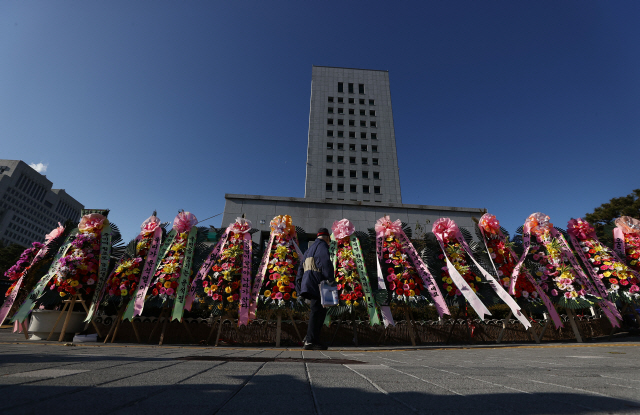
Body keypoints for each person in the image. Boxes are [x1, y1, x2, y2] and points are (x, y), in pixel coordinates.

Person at [296, 227, 334, 350]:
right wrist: (330, 280)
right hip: (319, 283)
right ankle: (311, 340)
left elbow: (300, 268)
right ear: (327, 238)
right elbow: (326, 263)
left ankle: (311, 338)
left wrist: (299, 286)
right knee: (318, 312)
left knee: (315, 311)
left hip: (308, 283)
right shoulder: (323, 247)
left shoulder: (309, 249)